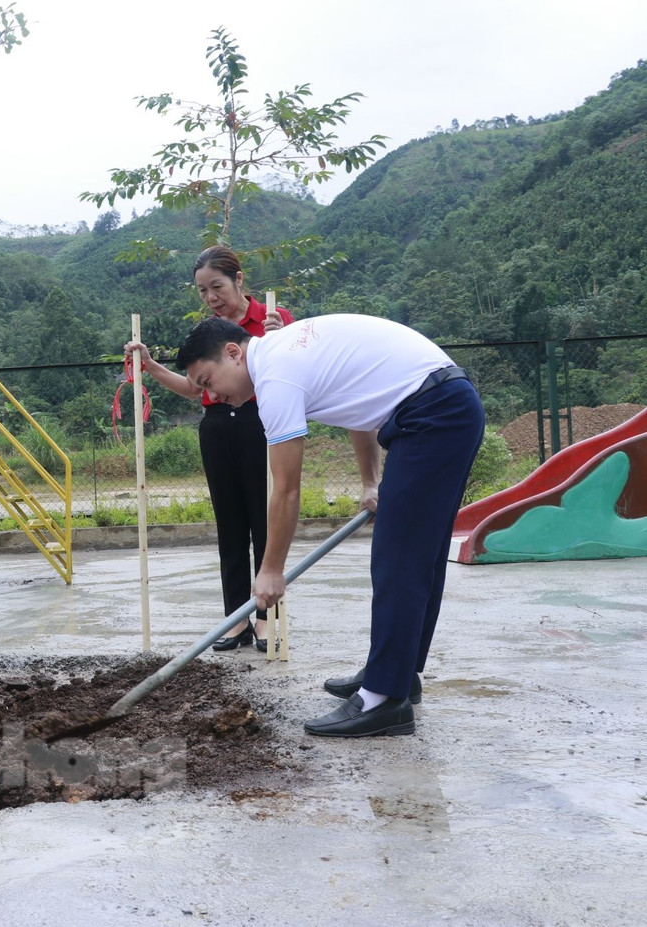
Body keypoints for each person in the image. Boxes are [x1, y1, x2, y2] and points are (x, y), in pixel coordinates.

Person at [177, 314, 484, 737]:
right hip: (440, 406)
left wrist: (270, 570)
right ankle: (399, 675)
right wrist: (371, 482)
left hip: (433, 415)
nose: (213, 394)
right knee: (419, 558)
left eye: (208, 380)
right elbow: (360, 409)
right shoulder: (286, 354)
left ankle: (384, 700)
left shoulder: (276, 378)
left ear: (233, 352)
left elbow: (285, 490)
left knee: (399, 561)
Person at [125, 246, 293, 652]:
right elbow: (193, 387)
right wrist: (150, 366)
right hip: (217, 427)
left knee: (263, 517)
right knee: (229, 523)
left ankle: (267, 616)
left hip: (261, 420)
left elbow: (289, 370)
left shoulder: (273, 318)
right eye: (202, 291)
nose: (211, 297)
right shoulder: (209, 333)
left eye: (216, 286)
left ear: (238, 279)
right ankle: (235, 617)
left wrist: (277, 340)